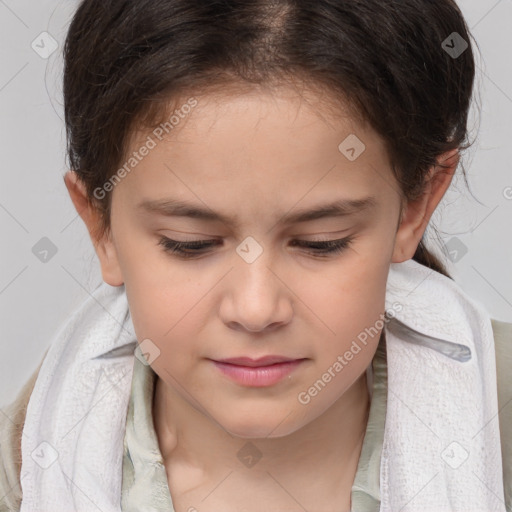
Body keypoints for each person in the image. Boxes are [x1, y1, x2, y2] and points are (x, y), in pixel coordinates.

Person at [1, 1, 511, 511]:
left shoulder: (497, 423)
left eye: (321, 242)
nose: (256, 309)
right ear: (102, 228)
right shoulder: (27, 473)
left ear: (414, 206)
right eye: (189, 243)